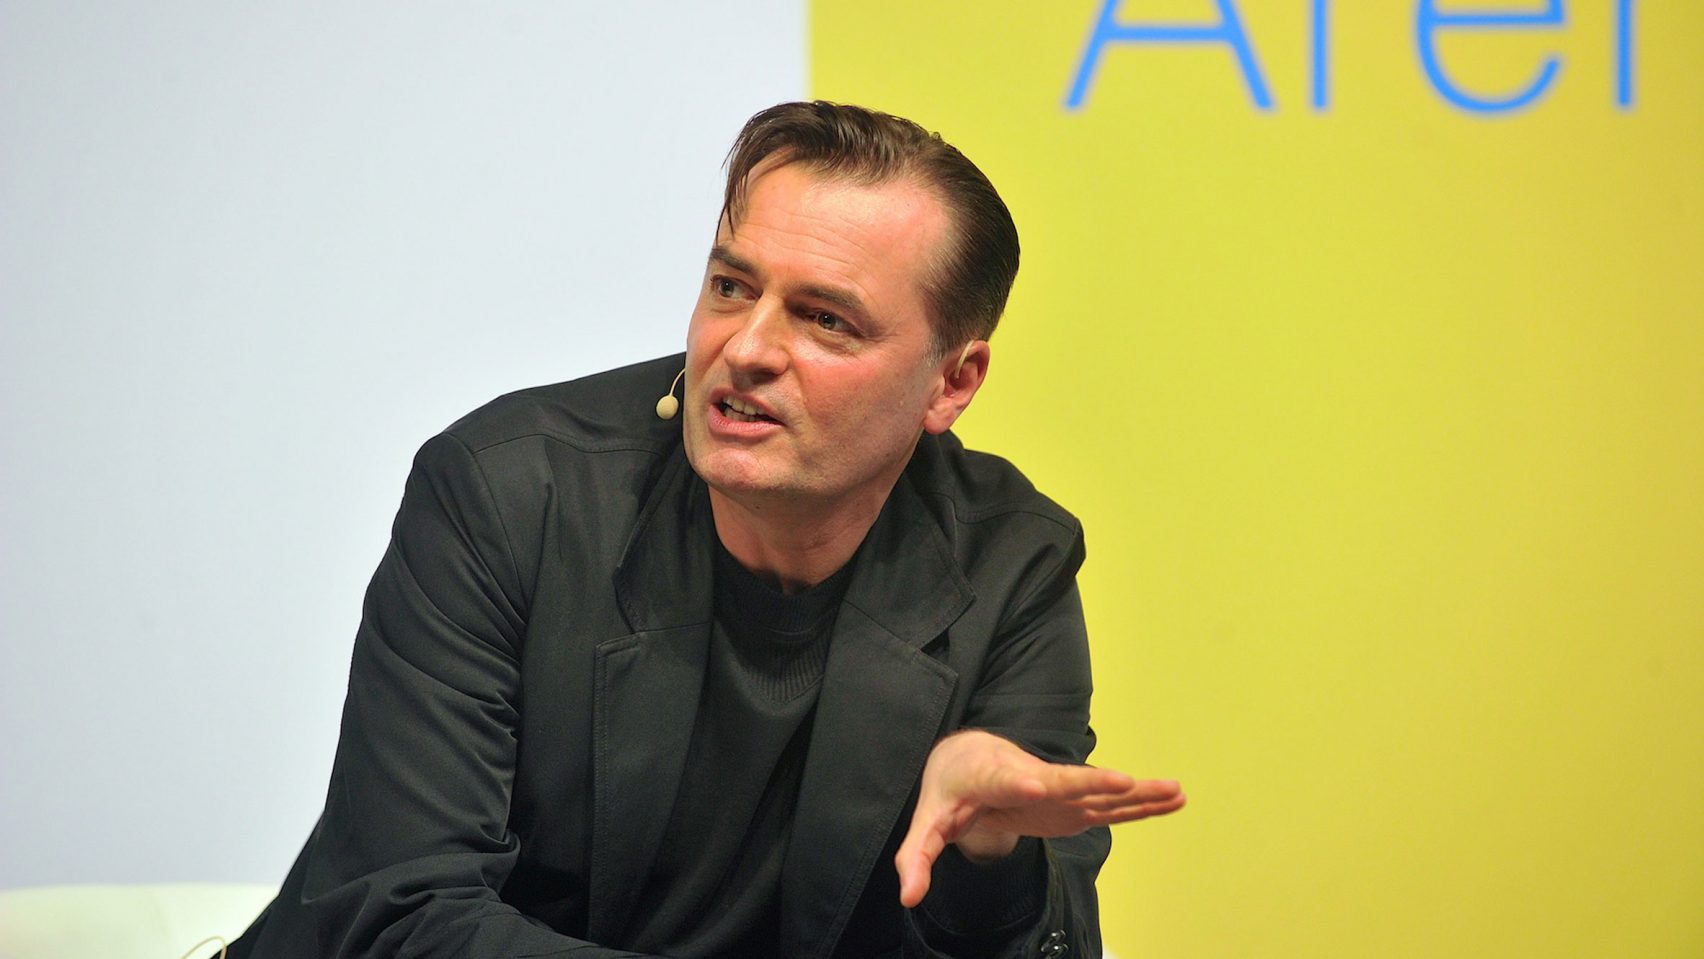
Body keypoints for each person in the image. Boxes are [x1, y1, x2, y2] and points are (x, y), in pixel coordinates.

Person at [224, 101, 1184, 959]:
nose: (749, 348)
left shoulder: (1010, 563)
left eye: (825, 319)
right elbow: (402, 917)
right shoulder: (509, 494)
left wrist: (989, 855)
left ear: (952, 382)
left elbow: (1047, 947)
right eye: (731, 286)